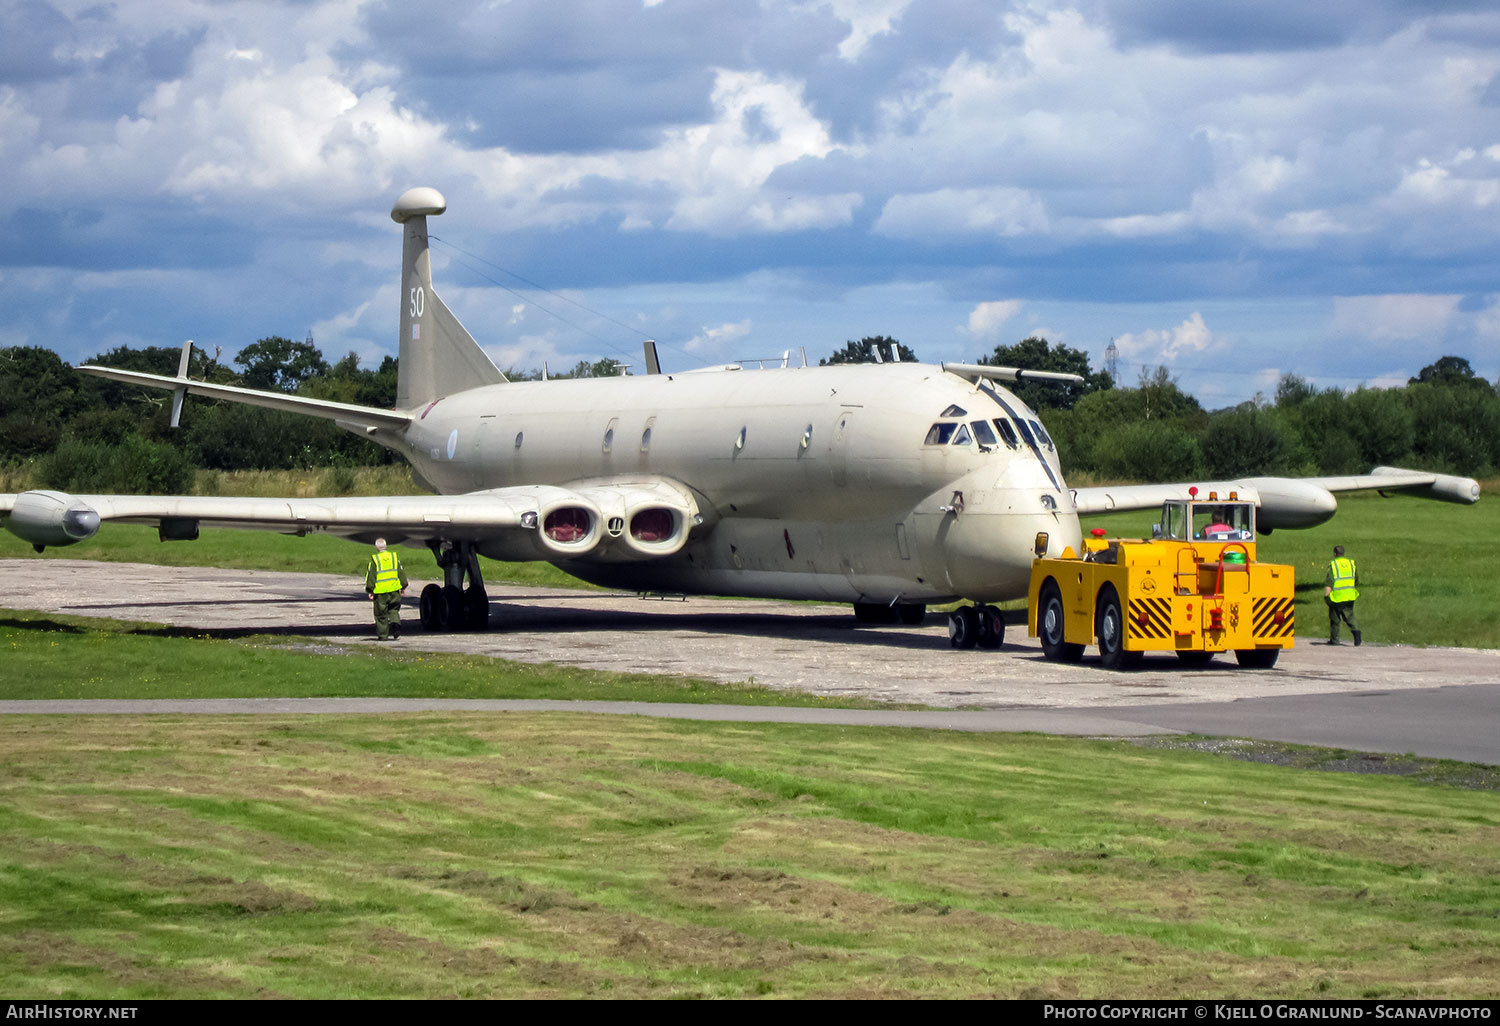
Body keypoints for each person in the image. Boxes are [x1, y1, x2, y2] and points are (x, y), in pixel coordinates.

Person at [365, 538, 408, 641]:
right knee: (393, 609)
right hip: (394, 590)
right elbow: (400, 573)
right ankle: (396, 624)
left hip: (380, 592)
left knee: (381, 614)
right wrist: (403, 586)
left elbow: (371, 576)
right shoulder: (394, 557)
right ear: (386, 546)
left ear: (377, 547)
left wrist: (370, 590)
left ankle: (383, 635)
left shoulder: (375, 560)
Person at [1324, 544, 1361, 646]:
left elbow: (1329, 582)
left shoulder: (1334, 565)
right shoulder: (1351, 563)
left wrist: (1326, 596)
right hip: (1350, 595)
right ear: (1343, 553)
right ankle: (1356, 632)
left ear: (1334, 554)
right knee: (1349, 616)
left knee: (1335, 618)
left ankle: (1334, 640)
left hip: (1337, 596)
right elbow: (1356, 579)